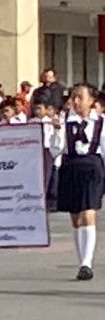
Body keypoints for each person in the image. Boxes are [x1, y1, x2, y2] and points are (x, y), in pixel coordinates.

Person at [54, 84, 104, 282]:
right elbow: (55, 150)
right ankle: (81, 260)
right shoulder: (64, 121)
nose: (75, 102)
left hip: (92, 167)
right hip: (70, 167)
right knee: (75, 217)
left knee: (88, 213)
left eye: (79, 97)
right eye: (73, 97)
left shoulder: (101, 122)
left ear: (91, 101)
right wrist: (56, 132)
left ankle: (87, 263)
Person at [32, 101, 61, 212]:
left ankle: (49, 201)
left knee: (47, 176)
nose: (37, 111)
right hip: (35, 150)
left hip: (47, 150)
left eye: (40, 108)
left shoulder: (51, 122)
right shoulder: (32, 122)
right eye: (36, 108)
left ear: (46, 109)